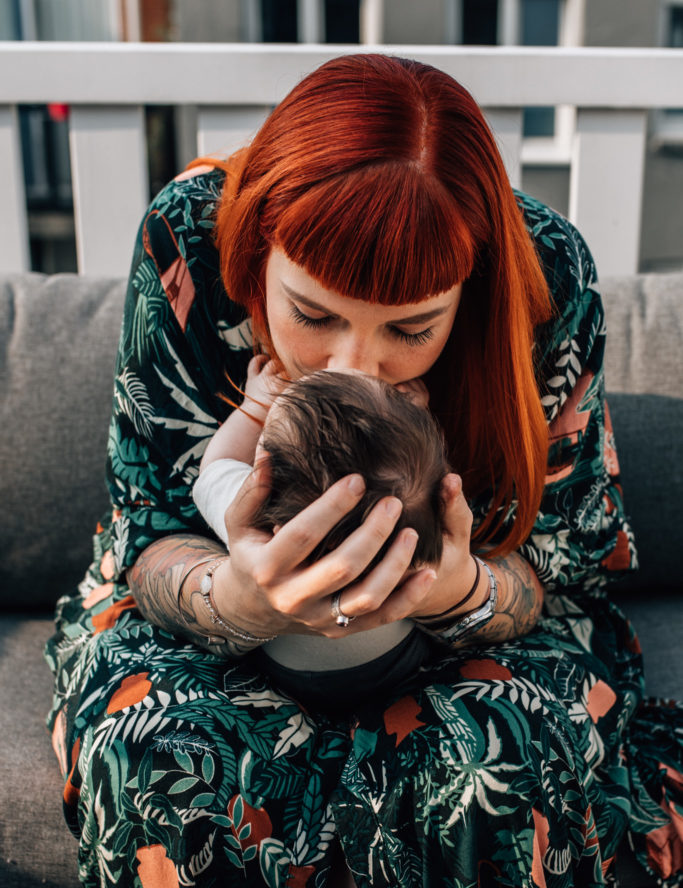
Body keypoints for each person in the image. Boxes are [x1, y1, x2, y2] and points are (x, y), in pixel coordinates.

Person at [45, 53, 683, 888]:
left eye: (411, 330)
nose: (356, 366)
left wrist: (460, 593)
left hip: (465, 642)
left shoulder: (545, 276)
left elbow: (564, 563)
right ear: (255, 252)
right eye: (312, 314)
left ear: (470, 294)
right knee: (161, 759)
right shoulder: (188, 240)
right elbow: (149, 519)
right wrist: (236, 600)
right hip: (203, 629)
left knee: (499, 770)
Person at [193, 362, 463, 711]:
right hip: (400, 662)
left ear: (264, 476)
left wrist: (254, 408)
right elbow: (404, 469)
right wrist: (413, 417)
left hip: (283, 673)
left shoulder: (254, 532)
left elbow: (217, 464)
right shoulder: (417, 518)